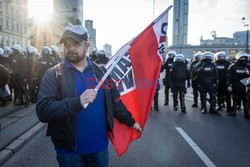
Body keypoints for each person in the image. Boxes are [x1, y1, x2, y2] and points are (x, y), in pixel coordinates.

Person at [36, 23, 142, 167]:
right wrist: (77, 102)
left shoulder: (101, 73)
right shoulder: (54, 74)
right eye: (67, 44)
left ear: (87, 45)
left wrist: (131, 122)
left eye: (76, 43)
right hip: (69, 153)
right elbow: (43, 111)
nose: (71, 48)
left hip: (99, 150)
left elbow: (115, 102)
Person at [227, 52, 250, 118]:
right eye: (241, 57)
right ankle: (233, 112)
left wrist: (248, 73)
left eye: (244, 58)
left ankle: (246, 113)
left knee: (245, 100)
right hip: (235, 85)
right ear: (238, 58)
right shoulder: (232, 66)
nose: (243, 59)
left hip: (245, 86)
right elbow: (229, 76)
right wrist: (228, 85)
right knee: (234, 99)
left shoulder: (248, 66)